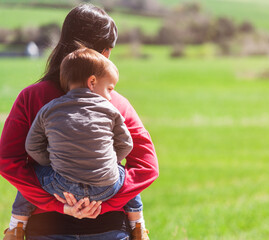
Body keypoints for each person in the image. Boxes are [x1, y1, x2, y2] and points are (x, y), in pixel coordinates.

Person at [0, 3, 158, 240]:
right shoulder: (116, 103)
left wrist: (57, 204)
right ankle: (140, 227)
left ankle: (15, 226)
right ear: (102, 54)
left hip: (45, 227)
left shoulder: (31, 98)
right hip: (109, 227)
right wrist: (104, 203)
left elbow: (8, 161)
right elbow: (147, 166)